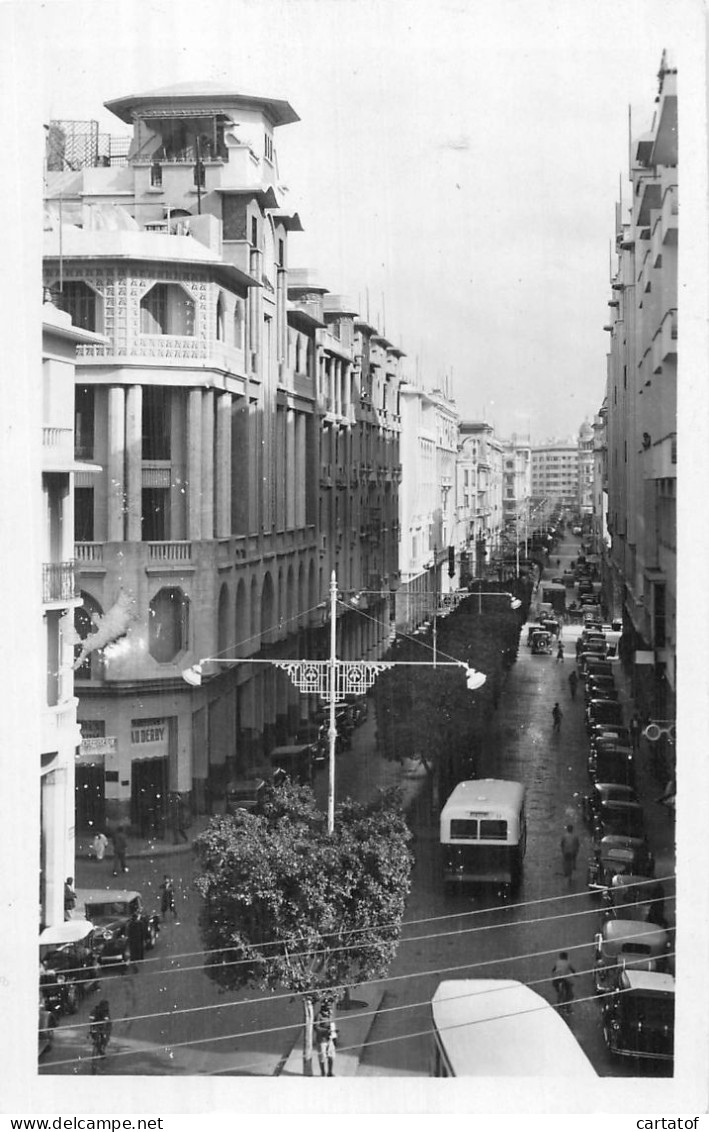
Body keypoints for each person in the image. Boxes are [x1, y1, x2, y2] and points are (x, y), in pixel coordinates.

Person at [314, 1004, 338, 1077]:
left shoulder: (330, 1014)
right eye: (327, 1009)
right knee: (322, 1057)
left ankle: (330, 1072)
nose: (328, 1011)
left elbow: (332, 1024)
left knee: (331, 1056)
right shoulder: (319, 1016)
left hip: (330, 1038)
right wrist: (325, 1031)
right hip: (322, 1039)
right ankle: (323, 1073)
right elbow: (316, 1027)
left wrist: (334, 1034)